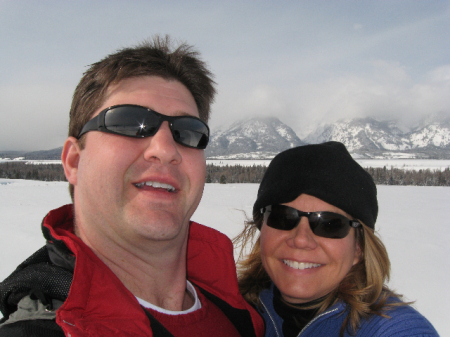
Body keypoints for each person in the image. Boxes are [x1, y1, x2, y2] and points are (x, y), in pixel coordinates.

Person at [0, 36, 264, 337]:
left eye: (187, 132)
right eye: (129, 122)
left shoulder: (243, 315)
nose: (165, 149)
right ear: (74, 161)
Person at [234, 141, 439, 337]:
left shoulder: (393, 330)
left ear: (358, 247)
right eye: (283, 217)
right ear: (263, 228)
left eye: (329, 224)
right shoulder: (229, 310)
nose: (301, 240)